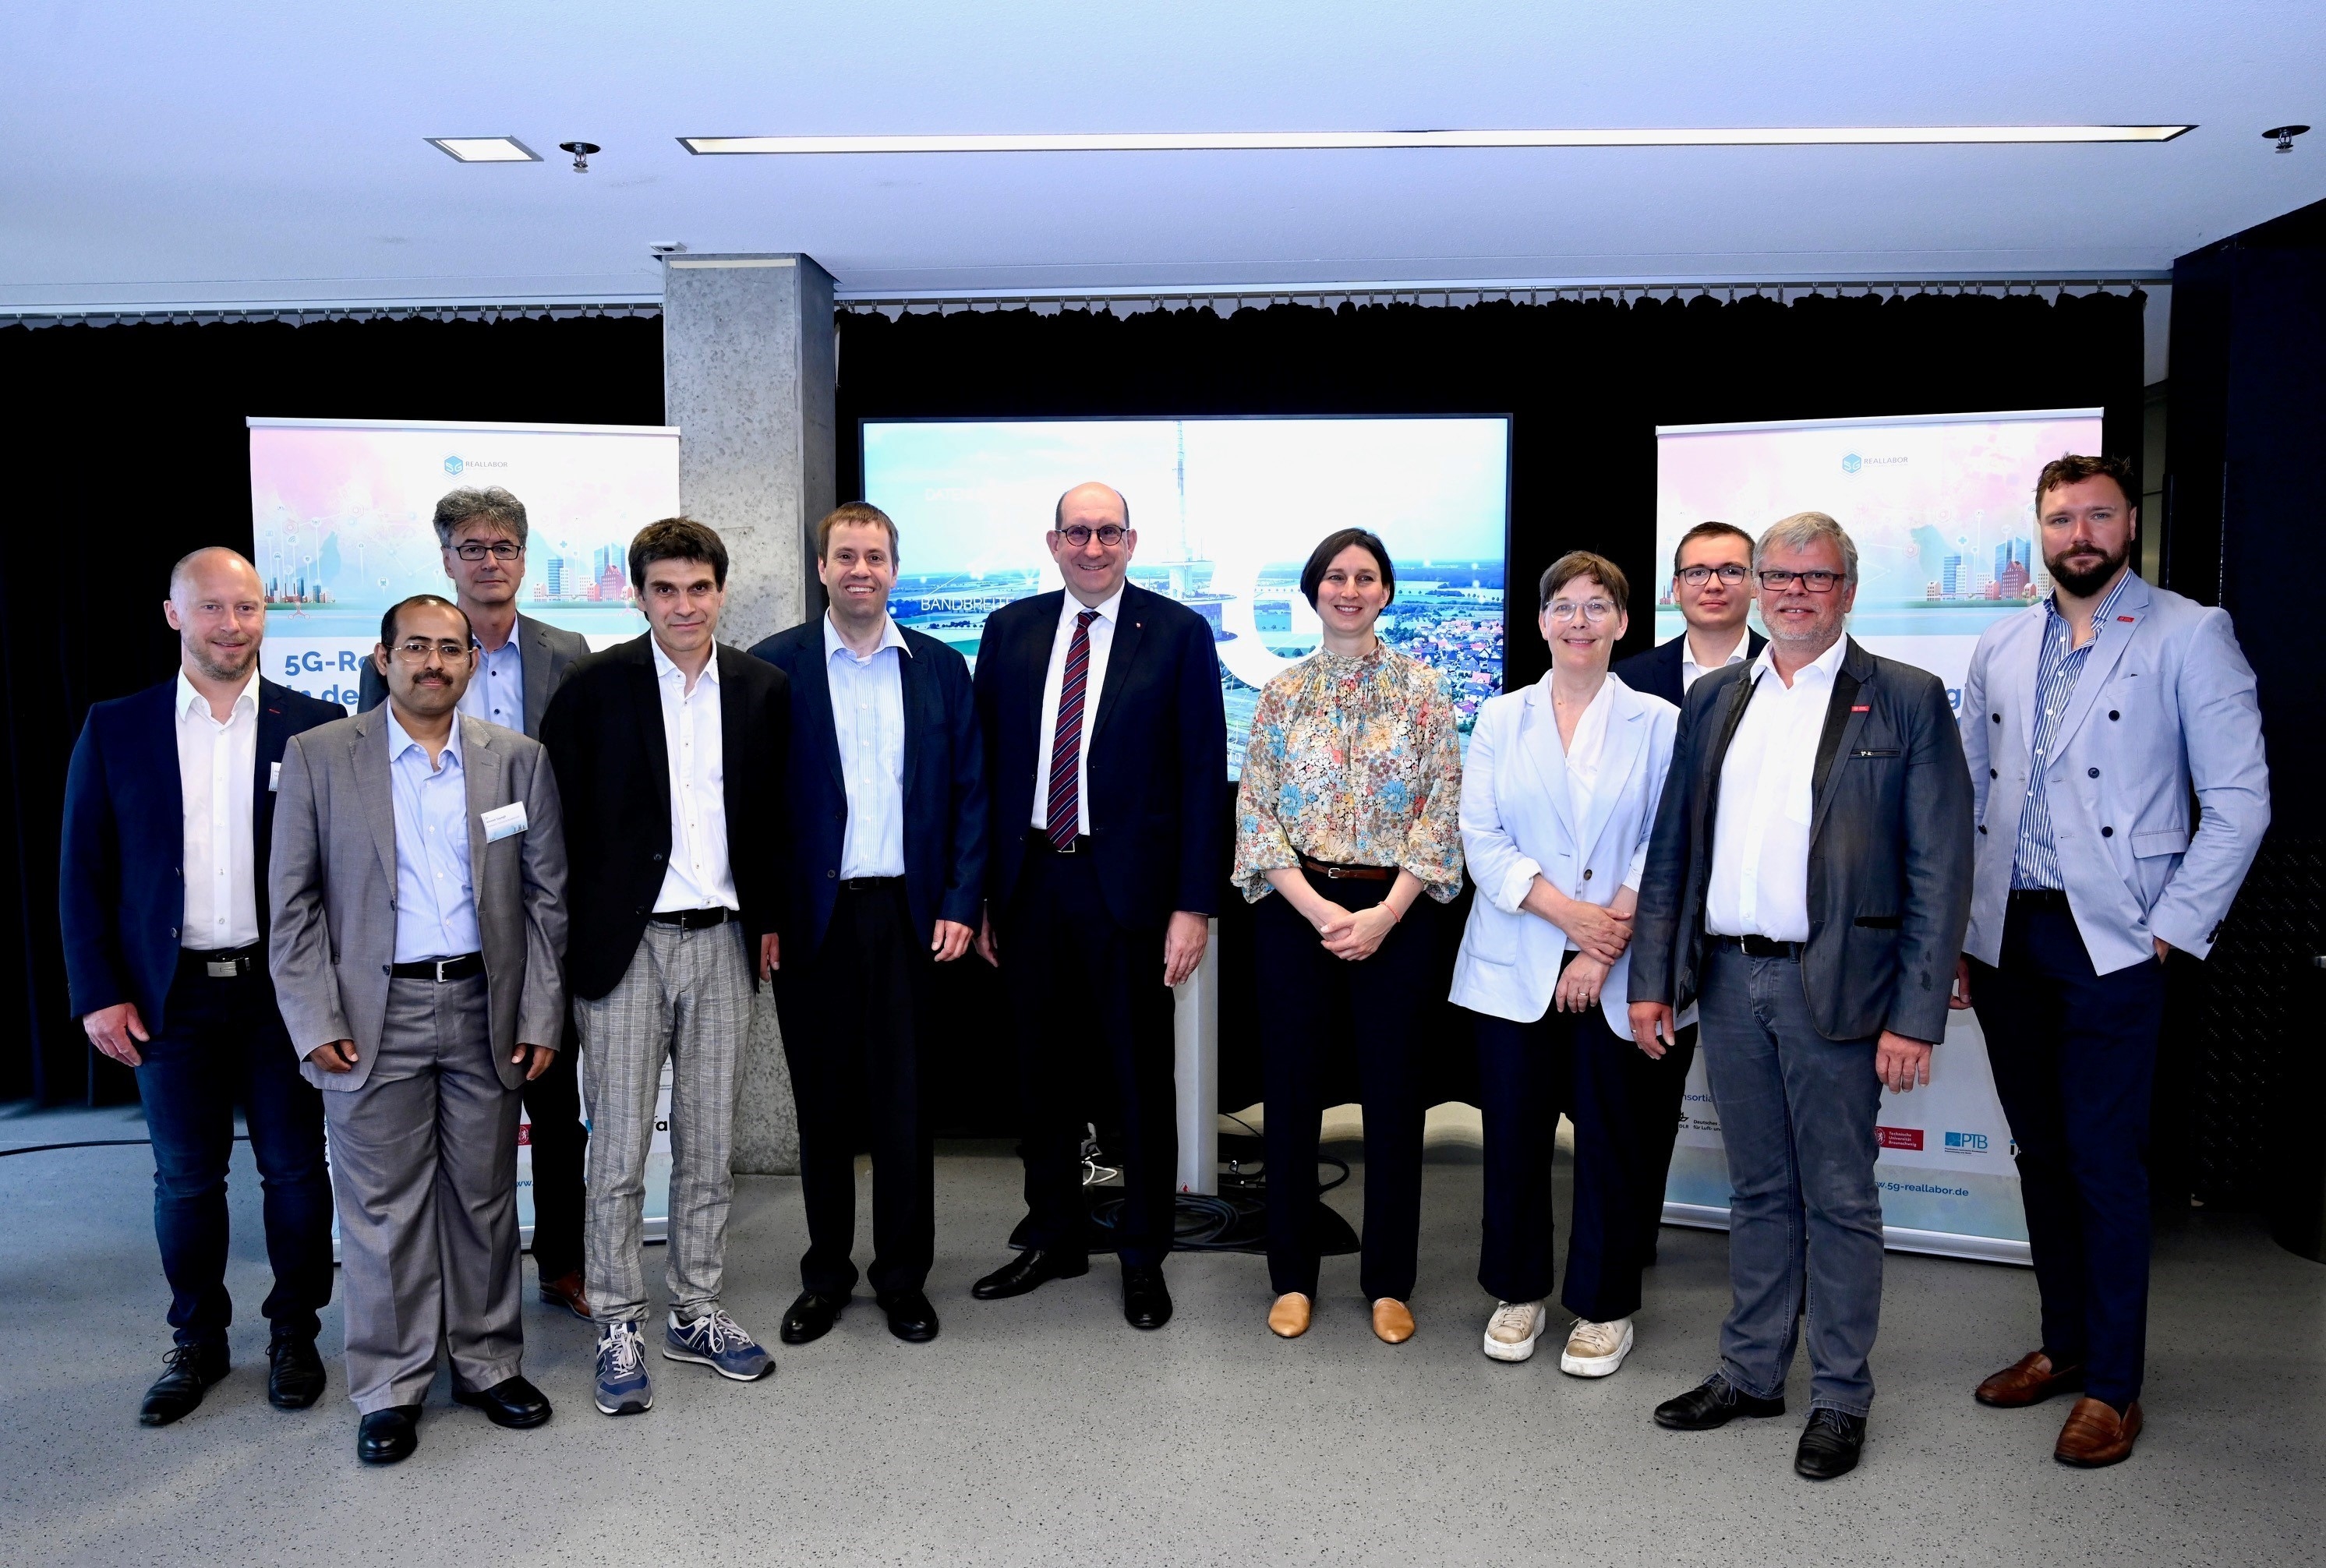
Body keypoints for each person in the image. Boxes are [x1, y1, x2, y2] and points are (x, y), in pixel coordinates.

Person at [1628, 512, 1972, 1481]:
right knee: (1757, 1190)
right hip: (1726, 979)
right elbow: (1672, 849)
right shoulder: (1714, 697)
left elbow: (1939, 865)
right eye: (1776, 575)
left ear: (1846, 590)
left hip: (1840, 987)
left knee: (1839, 1196)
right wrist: (1651, 979)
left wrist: (1913, 1014)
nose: (1791, 592)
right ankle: (1750, 1373)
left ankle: (1839, 1395)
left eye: (1813, 577)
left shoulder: (1902, 697)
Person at [1955, 454, 2268, 1467]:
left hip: (2116, 936)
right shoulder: (2002, 642)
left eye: (2096, 515)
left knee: (2102, 1159)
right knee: (2040, 1153)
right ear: (2039, 531)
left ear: (2129, 522)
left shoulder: (2188, 632)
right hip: (2007, 934)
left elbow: (2240, 801)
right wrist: (1961, 925)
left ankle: (2115, 1388)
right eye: (2060, 518)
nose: (2077, 534)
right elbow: (1969, 793)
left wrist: (2173, 924)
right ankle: (2066, 1345)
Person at [269, 593, 568, 1464]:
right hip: (373, 1016)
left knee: (483, 1198)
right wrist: (313, 1017)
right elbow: (292, 902)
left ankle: (487, 1363)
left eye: (450, 648)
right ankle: (391, 1385)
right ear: (383, 657)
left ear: (472, 662)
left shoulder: (517, 760)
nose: (433, 662)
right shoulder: (322, 755)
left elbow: (547, 899)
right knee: (383, 1209)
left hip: (485, 1007)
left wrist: (539, 1011)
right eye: (415, 647)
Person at [60, 548, 342, 1427]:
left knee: (295, 1171)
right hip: (167, 997)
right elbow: (82, 870)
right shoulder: (117, 727)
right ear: (174, 615)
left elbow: (343, 873)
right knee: (185, 1180)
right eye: (212, 607)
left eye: (247, 607)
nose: (232, 625)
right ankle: (198, 1340)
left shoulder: (315, 725)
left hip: (280, 993)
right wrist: (97, 991)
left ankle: (294, 1332)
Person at [539, 517, 789, 1415]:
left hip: (722, 939)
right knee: (615, 1150)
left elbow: (774, 817)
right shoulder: (592, 688)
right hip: (624, 944)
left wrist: (769, 919)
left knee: (708, 1146)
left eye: (699, 588)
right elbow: (555, 825)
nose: (684, 606)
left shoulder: (762, 688)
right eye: (665, 589)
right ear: (637, 595)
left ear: (721, 590)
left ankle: (695, 1309)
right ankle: (617, 1320)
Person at [968, 482, 1225, 1331]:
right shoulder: (1009, 629)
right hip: (1030, 881)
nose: (1091, 546)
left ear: (1131, 541)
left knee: (1136, 1080)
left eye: (1107, 531)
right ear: (1053, 542)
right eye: (1076, 532)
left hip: (1131, 894)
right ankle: (1054, 1234)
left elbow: (1201, 777)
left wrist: (1193, 905)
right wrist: (981, 892)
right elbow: (983, 769)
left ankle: (1143, 1253)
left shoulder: (1177, 633)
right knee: (1038, 1075)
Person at [749, 503, 986, 1347]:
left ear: (894, 569)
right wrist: (764, 915)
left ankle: (902, 1277)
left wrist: (961, 901)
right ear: (821, 568)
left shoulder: (940, 668)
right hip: (811, 921)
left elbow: (970, 793)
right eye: (844, 556)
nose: (860, 570)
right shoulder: (771, 668)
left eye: (875, 557)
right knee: (823, 1107)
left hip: (910, 916)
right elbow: (753, 807)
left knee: (904, 1107)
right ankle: (825, 1275)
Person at [358, 486, 595, 1322]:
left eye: (503, 547)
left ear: (523, 559)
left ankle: (563, 1262)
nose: (489, 561)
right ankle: (439, 1283)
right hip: (441, 916)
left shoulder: (568, 651)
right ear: (447, 558)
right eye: (472, 547)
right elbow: (370, 786)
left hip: (536, 907)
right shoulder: (406, 656)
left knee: (555, 1109)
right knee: (442, 1133)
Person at [1232, 528, 1464, 1346]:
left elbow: (1442, 809)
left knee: (1395, 1099)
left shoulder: (1425, 690)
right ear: (1313, 591)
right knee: (1291, 1096)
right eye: (1335, 576)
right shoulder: (1280, 693)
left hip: (1396, 911)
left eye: (1366, 577)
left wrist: (1384, 914)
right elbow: (1255, 812)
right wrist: (1317, 909)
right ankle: (1292, 1275)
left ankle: (1388, 1281)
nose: (1350, 589)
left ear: (1386, 591)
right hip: (1296, 911)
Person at [1451, 551, 1678, 1375]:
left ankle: (1604, 1305)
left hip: (1619, 964)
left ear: (1623, 622)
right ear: (1541, 621)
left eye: (1596, 605)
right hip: (1517, 958)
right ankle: (1517, 1291)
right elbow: (1480, 838)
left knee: (1613, 1139)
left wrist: (1599, 939)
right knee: (1513, 1136)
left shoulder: (1660, 721)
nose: (1578, 621)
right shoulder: (1498, 717)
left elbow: (1665, 841)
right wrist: (1570, 920)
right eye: (1563, 606)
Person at [1608, 520, 1769, 1252]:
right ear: (1674, 588)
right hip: (1653, 916)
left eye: (1731, 570)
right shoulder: (1628, 679)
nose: (1713, 584)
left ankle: (1776, 1257)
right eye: (1697, 571)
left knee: (1764, 1105)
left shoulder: (1789, 671)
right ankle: (1632, 1241)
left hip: (1752, 918)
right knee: (1644, 1096)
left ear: (1755, 584)